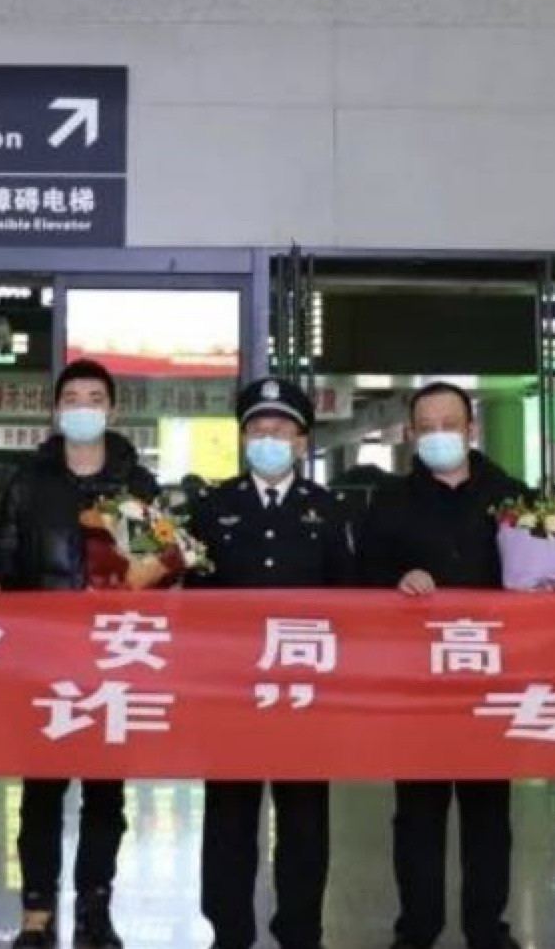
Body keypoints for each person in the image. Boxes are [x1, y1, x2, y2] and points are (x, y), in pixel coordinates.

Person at [0, 359, 160, 949]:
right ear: (56, 410)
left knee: (105, 795)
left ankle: (94, 907)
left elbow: (155, 567)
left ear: (112, 410)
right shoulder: (29, 482)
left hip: (113, 659)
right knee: (41, 791)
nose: (83, 408)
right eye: (72, 398)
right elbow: (5, 557)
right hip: (43, 660)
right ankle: (36, 911)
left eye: (94, 398)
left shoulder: (135, 484)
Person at [357, 381, 529, 949]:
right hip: (418, 686)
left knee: (488, 815)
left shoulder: (513, 497)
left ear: (471, 429)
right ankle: (417, 929)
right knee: (417, 816)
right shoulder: (390, 502)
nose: (437, 436)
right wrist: (396, 579)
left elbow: (541, 578)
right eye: (425, 427)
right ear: (410, 434)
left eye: (448, 425)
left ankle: (487, 928)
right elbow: (361, 576)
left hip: (490, 680)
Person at [189, 378, 354, 949]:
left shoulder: (327, 511)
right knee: (229, 816)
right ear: (243, 439)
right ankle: (228, 929)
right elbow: (192, 599)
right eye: (257, 430)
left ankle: (300, 928)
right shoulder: (213, 509)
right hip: (231, 691)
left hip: (305, 689)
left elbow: (351, 600)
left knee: (304, 816)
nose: (268, 439)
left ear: (302, 442)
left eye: (280, 430)